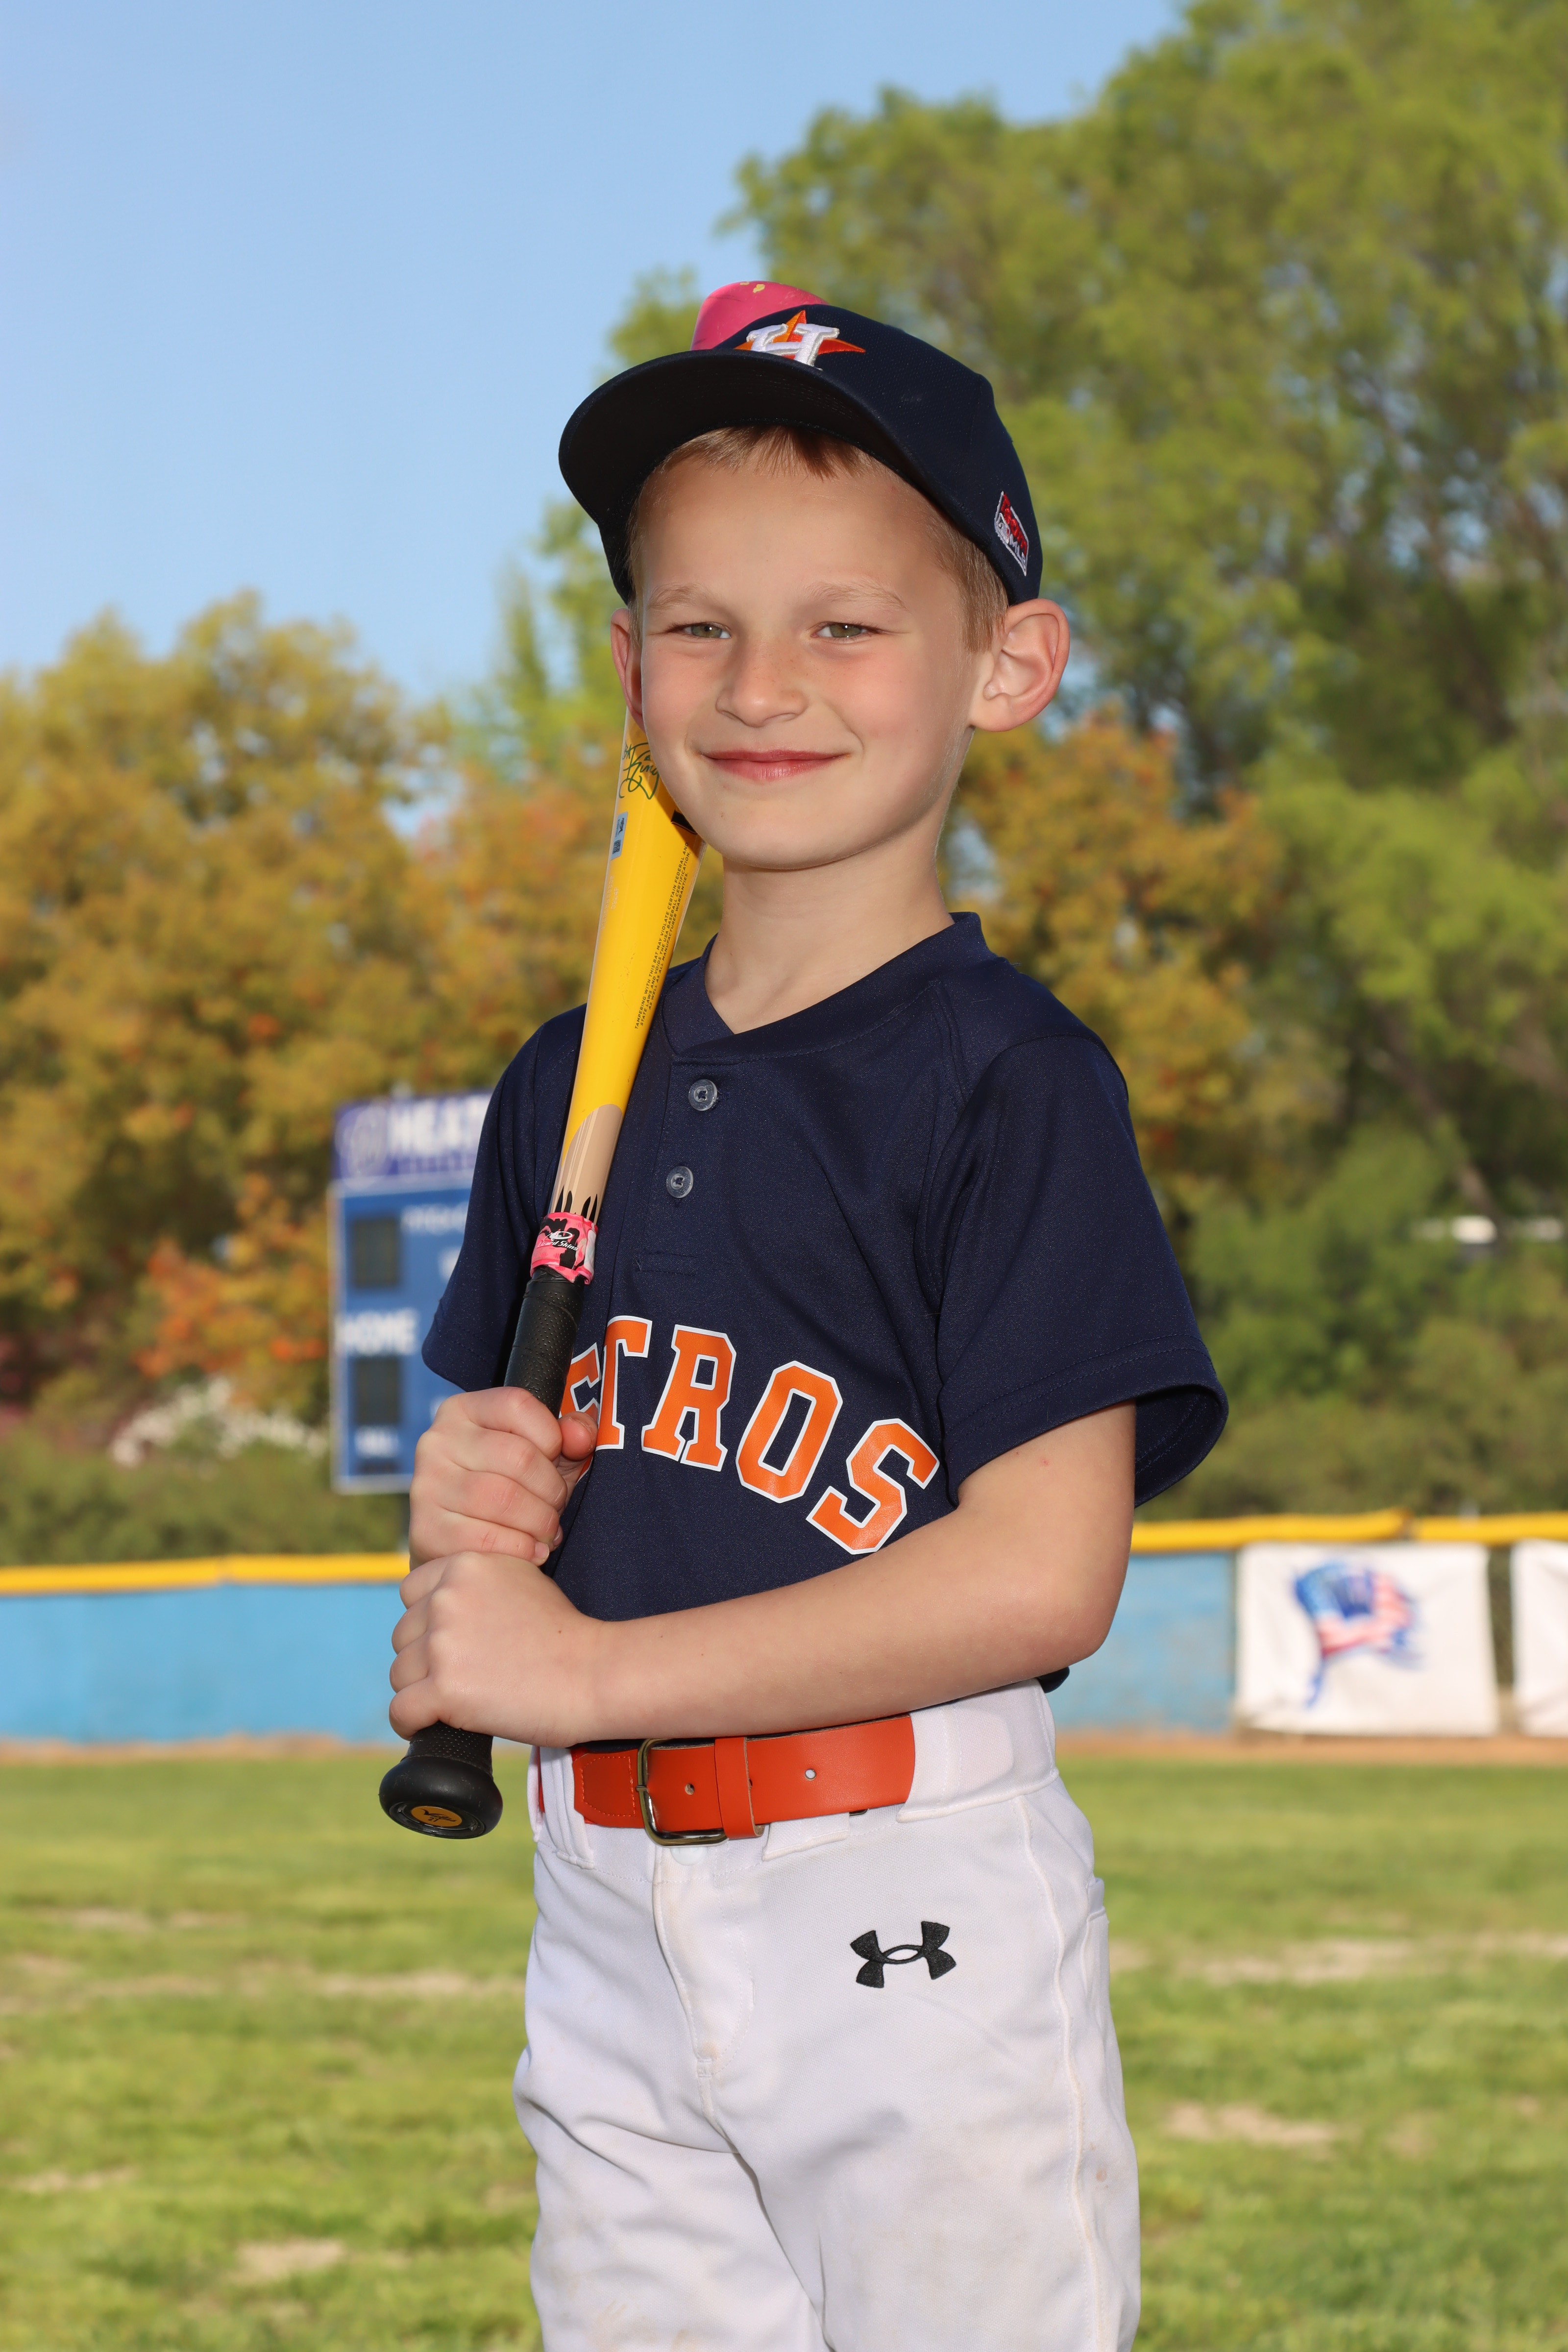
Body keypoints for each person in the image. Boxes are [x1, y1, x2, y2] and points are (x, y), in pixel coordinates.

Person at [391, 281, 1226, 2352]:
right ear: (629, 670)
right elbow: (527, 1478)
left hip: (903, 1894)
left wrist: (585, 1672)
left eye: (846, 626)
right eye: (700, 625)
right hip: (607, 1905)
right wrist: (470, 1497)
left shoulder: (1007, 1084)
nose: (763, 684)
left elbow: (1041, 1576)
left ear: (1006, 665)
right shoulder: (561, 1084)